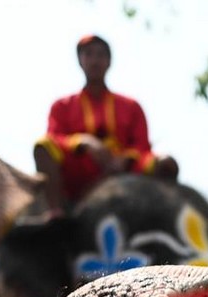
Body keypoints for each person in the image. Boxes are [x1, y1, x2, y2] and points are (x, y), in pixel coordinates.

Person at [33, 34, 178, 215]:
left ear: (109, 62)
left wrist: (125, 159)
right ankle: (56, 213)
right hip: (82, 168)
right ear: (80, 61)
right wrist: (83, 142)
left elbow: (142, 145)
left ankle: (163, 218)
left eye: (101, 55)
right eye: (88, 54)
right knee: (43, 146)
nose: (95, 61)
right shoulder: (62, 106)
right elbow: (54, 136)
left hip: (125, 170)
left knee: (166, 163)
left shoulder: (131, 106)